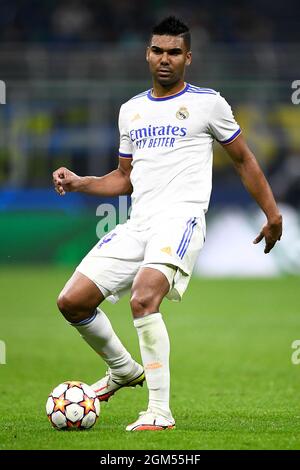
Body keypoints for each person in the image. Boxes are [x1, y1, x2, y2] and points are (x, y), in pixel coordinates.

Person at [52, 16, 282, 431]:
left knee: (144, 300)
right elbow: (124, 177)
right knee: (72, 302)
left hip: (181, 222)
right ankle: (123, 369)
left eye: (174, 52)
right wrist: (82, 182)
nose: (165, 59)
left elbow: (244, 160)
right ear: (147, 54)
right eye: (157, 50)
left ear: (188, 58)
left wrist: (272, 213)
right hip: (138, 223)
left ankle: (159, 411)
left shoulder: (209, 103)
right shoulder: (131, 111)